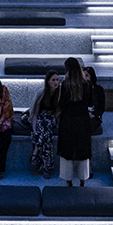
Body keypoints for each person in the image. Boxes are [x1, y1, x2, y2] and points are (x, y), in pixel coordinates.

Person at [56, 59, 96, 188]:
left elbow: (61, 104)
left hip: (67, 120)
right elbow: (90, 103)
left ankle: (68, 180)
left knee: (67, 151)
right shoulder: (86, 84)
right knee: (82, 150)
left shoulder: (65, 84)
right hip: (82, 120)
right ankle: (82, 180)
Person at [28, 72, 61, 179]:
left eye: (57, 80)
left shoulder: (60, 94)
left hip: (53, 117)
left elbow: (58, 112)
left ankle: (35, 152)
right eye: (53, 80)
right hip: (41, 116)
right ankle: (47, 168)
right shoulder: (41, 93)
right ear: (48, 81)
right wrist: (34, 129)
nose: (56, 82)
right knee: (46, 134)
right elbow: (35, 113)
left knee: (46, 125)